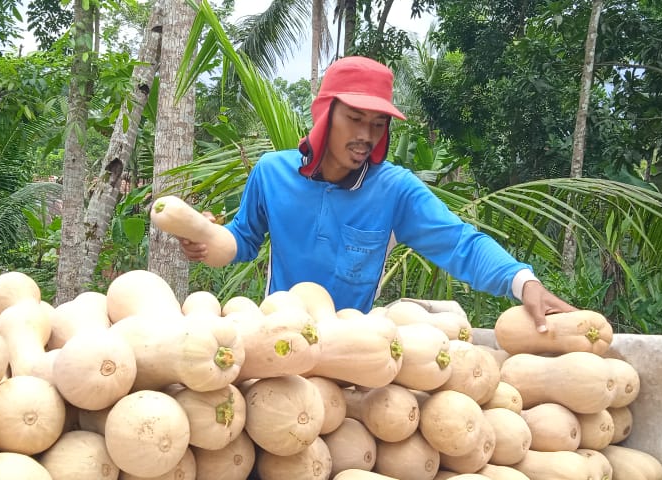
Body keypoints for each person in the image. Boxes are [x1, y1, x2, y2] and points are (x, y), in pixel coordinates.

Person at [180, 56, 576, 332]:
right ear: (325, 114)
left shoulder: (395, 189)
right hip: (278, 336)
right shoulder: (271, 172)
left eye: (378, 124)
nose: (366, 136)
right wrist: (206, 239)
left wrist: (525, 283)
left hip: (355, 354)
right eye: (354, 118)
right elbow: (243, 240)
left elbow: (460, 244)